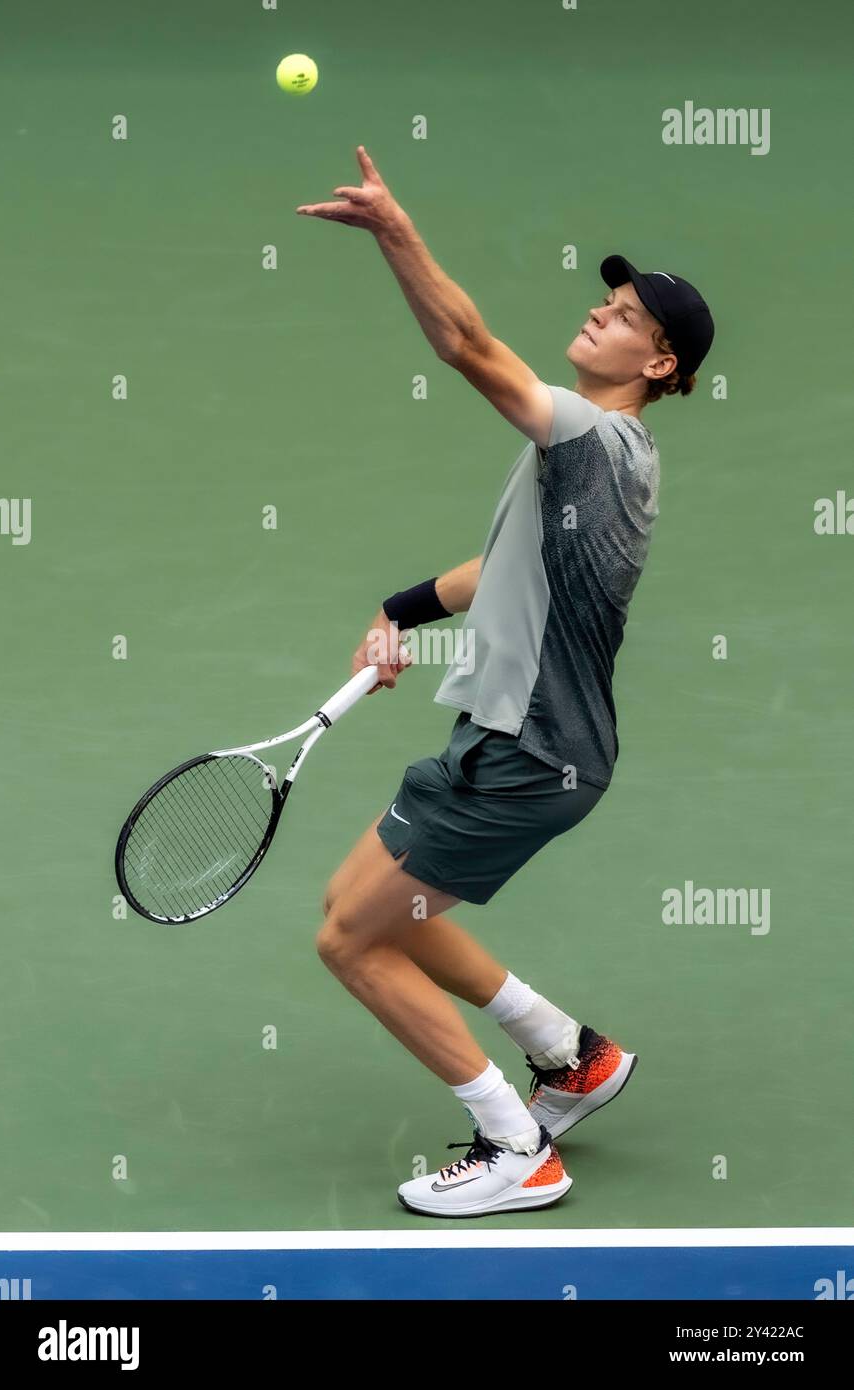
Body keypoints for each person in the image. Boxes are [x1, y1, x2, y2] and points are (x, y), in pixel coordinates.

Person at [297, 146, 715, 1217]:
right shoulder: (598, 460)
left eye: (624, 317)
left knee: (350, 940)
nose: (598, 314)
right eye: (606, 299)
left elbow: (467, 344)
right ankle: (567, 1054)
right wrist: (399, 611)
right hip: (513, 743)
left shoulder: (590, 437)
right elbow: (503, 569)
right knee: (368, 905)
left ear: (658, 366)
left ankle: (512, 1145)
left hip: (530, 753)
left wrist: (394, 230)